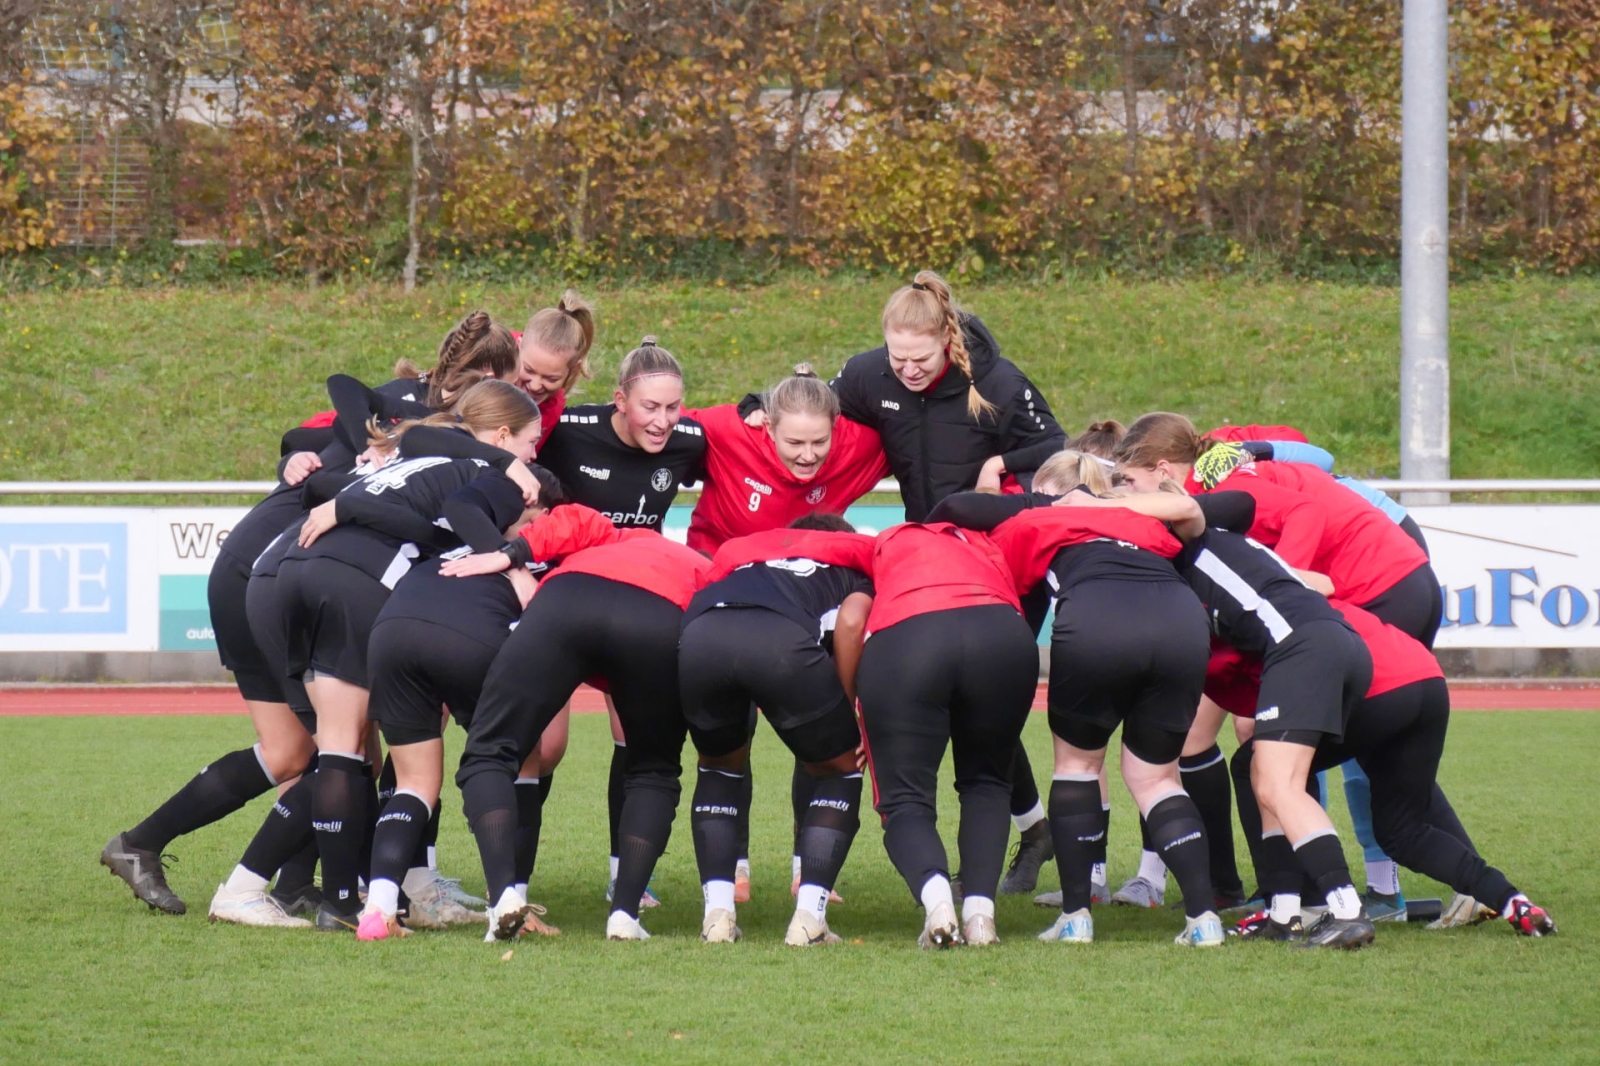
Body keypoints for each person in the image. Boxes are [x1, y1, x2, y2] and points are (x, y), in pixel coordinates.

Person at [207, 381, 542, 931]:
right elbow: (455, 510)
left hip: (284, 573)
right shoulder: (484, 473)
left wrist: (350, 502)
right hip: (349, 582)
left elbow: (336, 486)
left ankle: (351, 892)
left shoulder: (410, 454)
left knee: (342, 752)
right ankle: (314, 896)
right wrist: (509, 560)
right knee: (349, 752)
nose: (533, 455)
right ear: (502, 435)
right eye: (531, 442)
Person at [928, 456, 1223, 947]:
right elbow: (1209, 513)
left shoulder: (1038, 516)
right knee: (1157, 778)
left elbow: (955, 509)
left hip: (1097, 618)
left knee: (1078, 767)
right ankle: (1204, 919)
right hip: (1181, 621)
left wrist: (1040, 503)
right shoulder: (1143, 516)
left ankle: (1076, 915)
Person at [440, 502, 711, 941]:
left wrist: (511, 554)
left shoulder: (604, 538)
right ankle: (625, 915)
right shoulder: (699, 564)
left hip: (568, 599)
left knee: (490, 751)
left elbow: (568, 520)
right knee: (653, 771)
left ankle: (504, 897)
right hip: (660, 612)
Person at [1219, 601, 1557, 942]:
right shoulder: (1287, 586)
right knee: (1403, 831)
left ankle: (1292, 905)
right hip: (1425, 676)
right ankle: (1515, 902)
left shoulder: (1235, 607)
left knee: (1259, 764)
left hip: (1374, 687)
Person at [685, 367, 887, 902]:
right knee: (734, 736)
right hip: (725, 589)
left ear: (838, 429)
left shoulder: (863, 443)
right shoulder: (728, 430)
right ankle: (736, 866)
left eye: (819, 441)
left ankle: (805, 865)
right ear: (765, 425)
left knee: (816, 743)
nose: (806, 454)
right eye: (793, 441)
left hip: (804, 600)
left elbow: (917, 429)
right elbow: (655, 425)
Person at [355, 469, 570, 942]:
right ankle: (508, 901)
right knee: (510, 762)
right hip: (467, 636)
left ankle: (378, 907)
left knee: (414, 783)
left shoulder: (454, 542)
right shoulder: (543, 562)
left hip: (391, 634)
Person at [532, 336, 708, 907]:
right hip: (561, 601)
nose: (662, 421)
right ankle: (513, 877)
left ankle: (624, 874)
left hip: (633, 602)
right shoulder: (569, 428)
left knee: (634, 739)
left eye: (672, 407)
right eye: (649, 407)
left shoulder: (687, 443)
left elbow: (742, 441)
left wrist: (756, 403)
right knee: (546, 745)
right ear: (620, 400)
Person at [679, 515, 875, 945]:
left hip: (700, 634)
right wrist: (846, 714)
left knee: (718, 770)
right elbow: (850, 625)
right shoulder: (854, 563)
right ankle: (809, 919)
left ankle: (717, 915)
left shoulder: (751, 557)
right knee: (840, 770)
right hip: (777, 638)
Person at [856, 520, 1040, 948]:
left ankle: (938, 903)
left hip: (910, 632)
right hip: (1001, 632)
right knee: (989, 783)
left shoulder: (885, 541)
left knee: (904, 798)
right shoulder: (990, 540)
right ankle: (980, 916)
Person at [514, 289, 598, 448]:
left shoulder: (550, 411)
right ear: (518, 346)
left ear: (573, 370)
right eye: (529, 370)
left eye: (550, 379)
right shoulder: (486, 362)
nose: (535, 385)